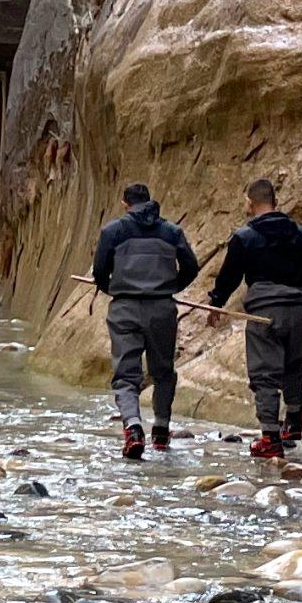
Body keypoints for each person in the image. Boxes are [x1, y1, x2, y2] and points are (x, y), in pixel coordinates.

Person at [210, 177, 302, 457]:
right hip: (299, 312)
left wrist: (216, 303)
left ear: (251, 203)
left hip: (265, 314)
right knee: (294, 367)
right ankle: (294, 421)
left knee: (265, 375)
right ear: (274, 201)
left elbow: (229, 277)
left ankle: (270, 439)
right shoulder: (300, 234)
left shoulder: (245, 237)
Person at [91, 181, 198, 460]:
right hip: (162, 309)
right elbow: (191, 266)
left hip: (124, 308)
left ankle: (133, 427)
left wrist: (113, 288)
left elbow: (100, 271)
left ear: (125, 204)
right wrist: (171, 286)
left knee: (126, 376)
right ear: (150, 201)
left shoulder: (112, 231)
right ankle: (161, 431)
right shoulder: (171, 232)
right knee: (163, 371)